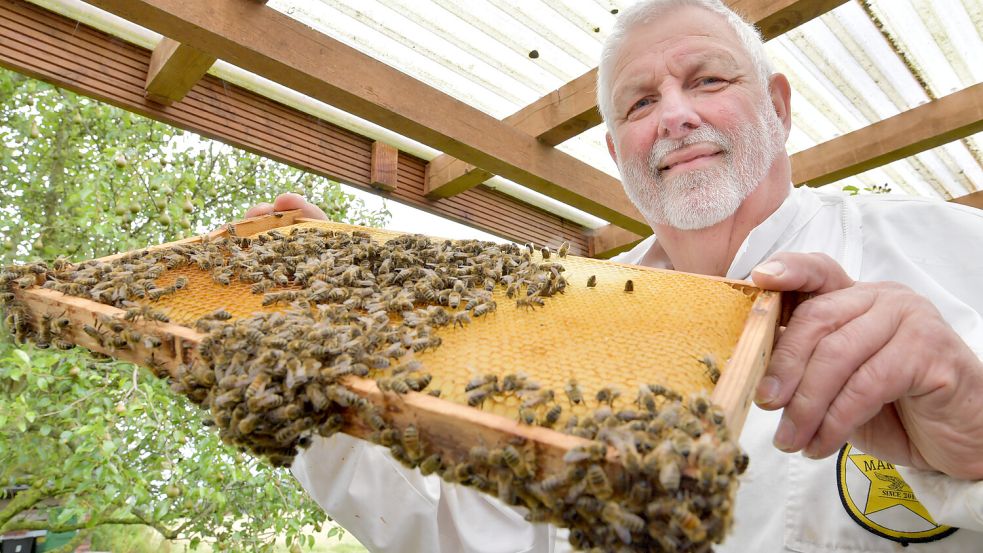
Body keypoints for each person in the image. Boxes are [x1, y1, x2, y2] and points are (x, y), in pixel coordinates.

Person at [247, 1, 983, 550]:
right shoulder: (566, 322)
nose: (673, 116)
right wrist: (324, 374)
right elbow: (486, 532)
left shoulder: (954, 246)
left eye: (706, 79)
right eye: (640, 102)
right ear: (616, 151)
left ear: (779, 106)